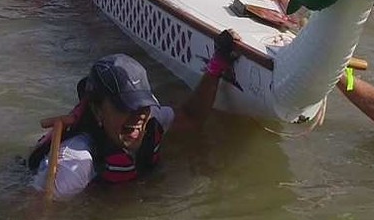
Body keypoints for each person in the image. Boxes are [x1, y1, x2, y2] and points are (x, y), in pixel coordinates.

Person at [28, 30, 240, 199]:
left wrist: (216, 66)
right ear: (97, 111)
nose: (138, 116)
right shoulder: (74, 164)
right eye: (124, 106)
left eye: (142, 105)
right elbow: (35, 218)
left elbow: (192, 117)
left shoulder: (152, 118)